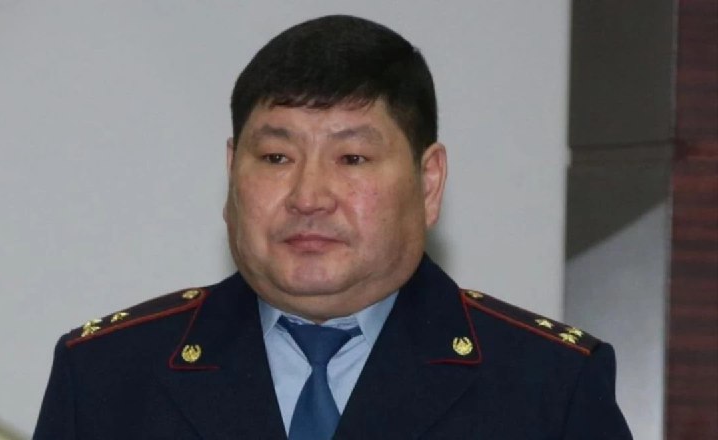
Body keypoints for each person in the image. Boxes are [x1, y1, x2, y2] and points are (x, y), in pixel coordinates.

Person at [34, 15, 632, 439]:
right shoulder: (109, 376)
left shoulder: (547, 386)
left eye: (352, 158)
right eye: (276, 157)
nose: (309, 198)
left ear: (428, 182)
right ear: (232, 172)